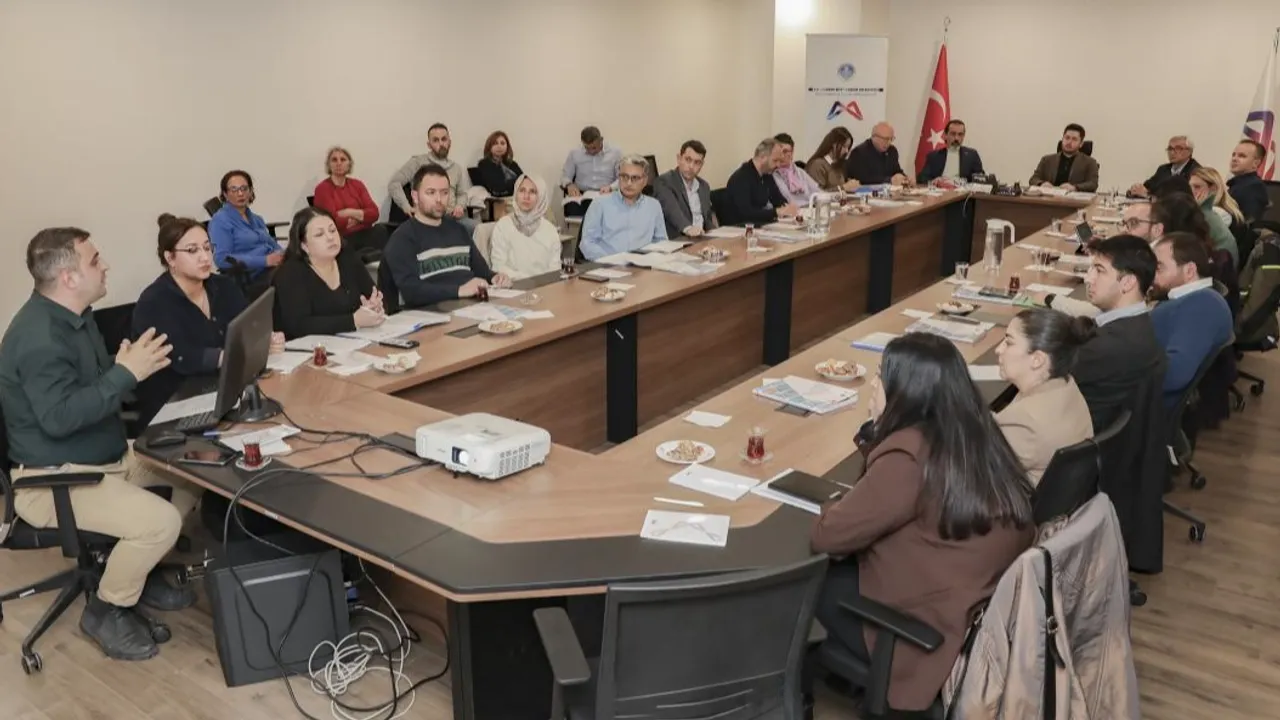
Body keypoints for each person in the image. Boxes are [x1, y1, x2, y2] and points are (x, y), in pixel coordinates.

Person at [0, 227, 199, 661]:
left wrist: (121, 364)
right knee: (161, 522)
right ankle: (107, 609)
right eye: (94, 260)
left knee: (191, 477)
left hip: (103, 456)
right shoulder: (39, 338)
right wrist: (124, 373)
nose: (104, 265)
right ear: (69, 277)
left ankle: (133, 572)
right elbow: (59, 418)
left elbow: (85, 382)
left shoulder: (76, 316)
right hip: (54, 479)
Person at [811, 332, 1034, 713]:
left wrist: (833, 503)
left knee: (803, 584)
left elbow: (827, 536)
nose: (873, 385)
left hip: (922, 632)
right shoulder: (974, 432)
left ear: (905, 392)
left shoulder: (910, 456)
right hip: (970, 606)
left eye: (880, 376)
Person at [131, 215, 284, 423]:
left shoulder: (224, 286)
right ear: (170, 258)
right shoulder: (154, 302)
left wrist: (265, 340)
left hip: (227, 390)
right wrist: (231, 356)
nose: (204, 257)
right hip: (176, 403)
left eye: (207, 247)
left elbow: (248, 324)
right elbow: (181, 356)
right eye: (192, 250)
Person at [994, 308, 1095, 485]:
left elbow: (973, 466)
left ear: (1037, 360)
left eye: (1008, 342)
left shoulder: (1024, 423)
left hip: (1013, 499)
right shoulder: (1066, 385)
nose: (998, 350)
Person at [384, 164, 509, 308]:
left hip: (473, 307)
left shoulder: (458, 230)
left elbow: (483, 272)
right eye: (431, 192)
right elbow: (412, 292)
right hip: (433, 313)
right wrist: (458, 291)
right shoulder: (402, 239)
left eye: (444, 192)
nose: (439, 199)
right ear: (415, 196)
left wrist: (496, 277)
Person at [272, 207, 387, 340]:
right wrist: (353, 321)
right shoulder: (290, 273)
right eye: (319, 234)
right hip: (307, 348)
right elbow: (298, 325)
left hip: (352, 342)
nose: (330, 237)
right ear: (304, 245)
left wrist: (375, 307)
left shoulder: (347, 258)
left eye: (332, 230)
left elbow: (374, 295)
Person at [1150, 233, 1234, 407]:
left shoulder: (1202, 307)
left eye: (1159, 269)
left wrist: (1123, 369)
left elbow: (1174, 375)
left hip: (1142, 405)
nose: (1152, 276)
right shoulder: (1195, 299)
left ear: (1189, 270)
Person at [388, 123, 476, 233]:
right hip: (428, 217)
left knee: (479, 229)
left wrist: (460, 206)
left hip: (452, 217)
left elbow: (462, 194)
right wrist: (406, 206)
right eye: (436, 140)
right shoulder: (418, 162)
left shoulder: (456, 168)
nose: (441, 144)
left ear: (449, 142)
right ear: (429, 145)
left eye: (444, 139)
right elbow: (394, 184)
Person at [578, 155, 667, 260]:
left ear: (645, 181)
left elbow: (661, 241)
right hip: (607, 264)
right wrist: (612, 260)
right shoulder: (600, 204)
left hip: (643, 265)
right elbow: (587, 243)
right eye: (624, 176)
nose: (628, 183)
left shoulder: (653, 206)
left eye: (635, 178)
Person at [207, 169, 284, 280]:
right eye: (234, 189)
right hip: (250, 276)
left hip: (271, 269)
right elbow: (222, 259)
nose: (240, 193)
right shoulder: (220, 221)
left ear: (251, 191)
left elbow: (272, 243)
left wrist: (282, 254)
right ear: (225, 194)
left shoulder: (257, 219)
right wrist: (264, 261)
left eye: (244, 188)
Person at [312, 146, 387, 253]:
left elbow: (374, 213)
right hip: (342, 238)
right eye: (334, 160)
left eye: (343, 159)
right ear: (329, 165)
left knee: (381, 230)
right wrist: (361, 217)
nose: (339, 163)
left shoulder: (357, 184)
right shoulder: (322, 189)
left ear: (349, 164)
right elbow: (331, 223)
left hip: (364, 233)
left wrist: (348, 212)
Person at [488, 174, 562, 280]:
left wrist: (539, 284)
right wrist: (529, 280)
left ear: (541, 196)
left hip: (544, 287)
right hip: (513, 286)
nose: (526, 196)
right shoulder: (503, 226)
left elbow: (555, 270)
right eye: (522, 190)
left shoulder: (550, 230)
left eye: (532, 192)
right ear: (516, 194)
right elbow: (498, 267)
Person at [1156, 177, 1238, 266]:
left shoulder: (1204, 217)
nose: (1192, 191)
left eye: (1197, 187)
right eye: (1190, 186)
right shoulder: (1200, 213)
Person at [722, 138, 797, 226]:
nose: (778, 165)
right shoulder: (741, 178)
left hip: (760, 225)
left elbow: (778, 200)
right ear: (762, 157)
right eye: (775, 160)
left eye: (780, 161)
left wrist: (788, 208)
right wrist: (776, 212)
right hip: (740, 228)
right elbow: (746, 213)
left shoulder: (767, 175)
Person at [653, 140, 716, 238]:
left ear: (702, 165)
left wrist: (717, 233)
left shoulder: (704, 186)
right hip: (680, 239)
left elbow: (707, 221)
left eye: (697, 162)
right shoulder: (664, 182)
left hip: (703, 238)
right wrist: (688, 228)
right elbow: (672, 211)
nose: (691, 166)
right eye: (688, 160)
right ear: (679, 159)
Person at [560, 125, 622, 218]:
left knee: (605, 212)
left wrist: (611, 187)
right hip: (581, 196)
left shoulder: (615, 153)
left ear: (601, 140)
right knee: (575, 210)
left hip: (607, 194)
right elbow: (565, 175)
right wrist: (569, 185)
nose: (591, 152)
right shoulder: (575, 153)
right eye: (587, 148)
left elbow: (622, 178)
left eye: (594, 148)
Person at [1029, 124, 1100, 192]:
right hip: (1049, 197)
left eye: (1074, 139)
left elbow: (1093, 184)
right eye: (1067, 138)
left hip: (1073, 199)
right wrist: (1041, 184)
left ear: (1081, 144)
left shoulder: (1090, 162)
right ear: (1062, 139)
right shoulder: (1047, 160)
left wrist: (1075, 187)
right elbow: (1033, 179)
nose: (1069, 142)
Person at [917, 119, 986, 184]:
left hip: (962, 192)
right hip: (940, 190)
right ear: (945, 135)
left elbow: (981, 178)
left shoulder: (972, 155)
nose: (956, 138)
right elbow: (922, 178)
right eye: (953, 134)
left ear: (963, 136)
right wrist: (933, 181)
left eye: (960, 134)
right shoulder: (934, 156)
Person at [1129, 135, 1199, 197]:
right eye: (1170, 149)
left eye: (1178, 148)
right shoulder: (1163, 169)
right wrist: (1135, 190)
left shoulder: (1196, 172)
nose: (1172, 152)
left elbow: (1178, 198)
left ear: (1189, 151)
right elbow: (1147, 187)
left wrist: (1148, 195)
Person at [845, 121, 909, 186]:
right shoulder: (859, 153)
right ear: (874, 137)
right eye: (886, 139)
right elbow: (862, 179)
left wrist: (906, 179)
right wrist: (889, 180)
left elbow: (896, 171)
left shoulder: (892, 151)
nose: (889, 142)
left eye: (891, 139)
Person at [771, 133, 821, 207]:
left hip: (809, 209)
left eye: (785, 151)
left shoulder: (800, 172)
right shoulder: (770, 174)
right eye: (778, 152)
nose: (781, 155)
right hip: (789, 211)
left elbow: (818, 193)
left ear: (792, 152)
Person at [1227, 139, 1270, 224]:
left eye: (1242, 156)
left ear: (1255, 163)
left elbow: (1247, 223)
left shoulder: (1254, 187)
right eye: (1233, 155)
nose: (1234, 159)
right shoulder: (1237, 184)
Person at [805, 127, 860, 192]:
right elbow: (817, 194)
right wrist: (843, 188)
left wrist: (850, 186)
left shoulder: (839, 164)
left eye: (848, 147)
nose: (846, 151)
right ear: (834, 144)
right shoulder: (817, 165)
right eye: (844, 146)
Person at [475, 130, 524, 198]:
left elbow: (524, 182)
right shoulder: (484, 164)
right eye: (495, 143)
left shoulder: (512, 164)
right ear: (489, 146)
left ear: (507, 146)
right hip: (497, 200)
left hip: (517, 198)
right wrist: (515, 184)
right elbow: (497, 189)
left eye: (502, 143)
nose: (499, 146)